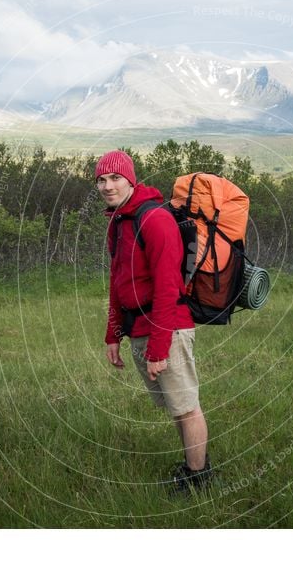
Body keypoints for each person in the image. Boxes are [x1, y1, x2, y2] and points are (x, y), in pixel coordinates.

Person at [96, 150, 213, 495]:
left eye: (115, 178)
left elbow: (167, 289)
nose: (107, 186)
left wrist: (159, 350)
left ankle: (199, 478)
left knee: (187, 407)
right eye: (101, 180)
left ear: (131, 180)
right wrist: (113, 334)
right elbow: (117, 282)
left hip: (168, 328)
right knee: (177, 408)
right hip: (140, 330)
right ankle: (194, 466)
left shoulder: (154, 220)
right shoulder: (119, 222)